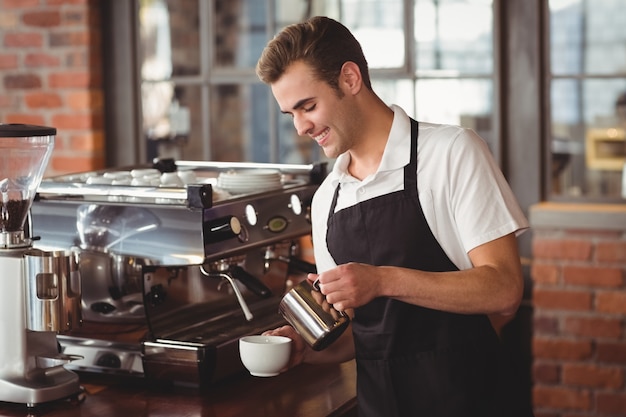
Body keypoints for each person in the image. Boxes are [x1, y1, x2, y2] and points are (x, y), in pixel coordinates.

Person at [256, 16, 532, 417]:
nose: (301, 127)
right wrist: (307, 351)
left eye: (308, 106)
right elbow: (364, 334)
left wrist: (382, 280)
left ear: (350, 79)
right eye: (290, 114)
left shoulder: (452, 153)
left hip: (472, 401)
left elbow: (505, 290)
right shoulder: (327, 200)